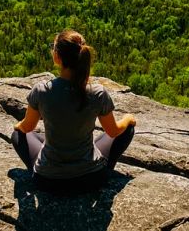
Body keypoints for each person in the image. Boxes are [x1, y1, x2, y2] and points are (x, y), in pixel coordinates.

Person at [11, 29, 136, 194]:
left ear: (58, 57)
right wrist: (127, 119)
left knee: (17, 135)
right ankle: (103, 170)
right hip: (91, 179)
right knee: (127, 130)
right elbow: (113, 131)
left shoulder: (42, 91)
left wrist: (18, 125)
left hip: (48, 181)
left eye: (53, 47)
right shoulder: (97, 92)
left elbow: (27, 128)